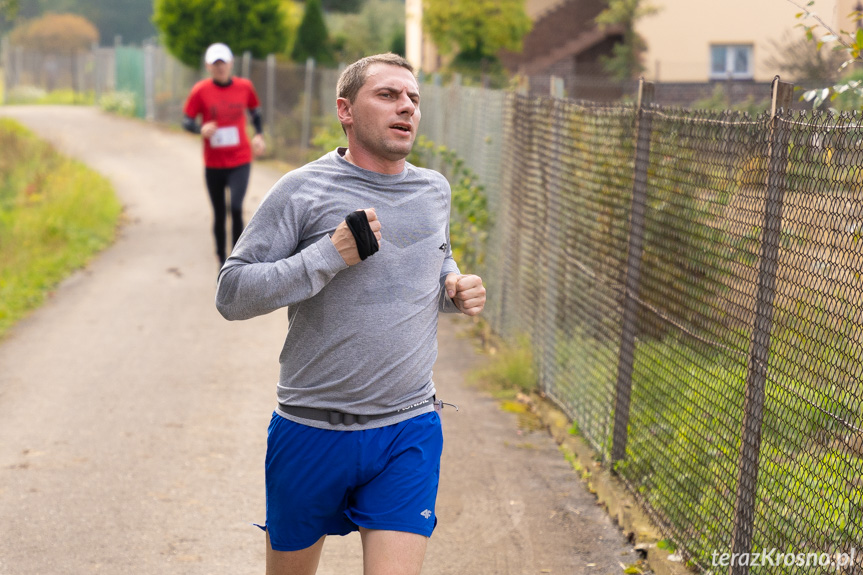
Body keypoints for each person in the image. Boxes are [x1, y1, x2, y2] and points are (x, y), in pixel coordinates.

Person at [215, 53, 486, 575]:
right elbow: (232, 293)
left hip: (406, 428)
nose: (406, 107)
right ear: (345, 109)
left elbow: (435, 259)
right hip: (310, 429)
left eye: (413, 99)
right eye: (387, 95)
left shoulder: (434, 190)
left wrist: (452, 287)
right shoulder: (301, 189)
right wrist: (326, 256)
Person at [182, 42, 266, 265]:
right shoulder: (200, 91)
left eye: (223, 63)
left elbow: (255, 111)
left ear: (231, 64)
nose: (220, 68)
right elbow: (186, 120)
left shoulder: (244, 87)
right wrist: (199, 129)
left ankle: (236, 261)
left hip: (240, 159)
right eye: (215, 64)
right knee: (219, 213)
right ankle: (221, 258)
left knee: (236, 208)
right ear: (208, 66)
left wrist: (259, 134)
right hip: (214, 163)